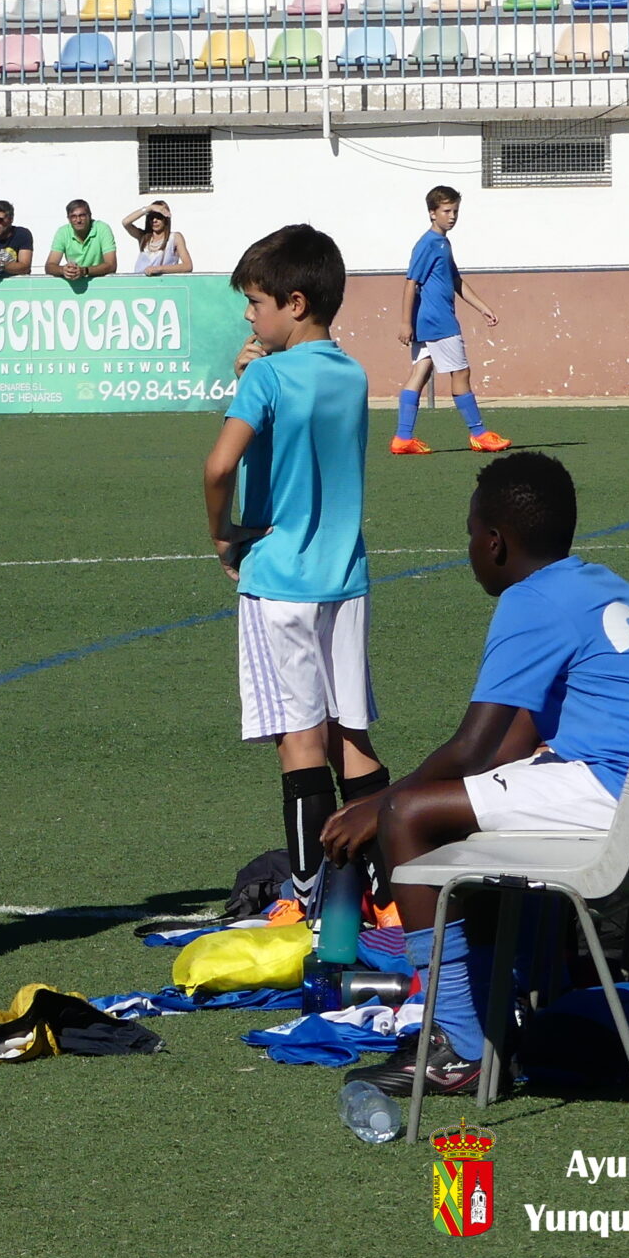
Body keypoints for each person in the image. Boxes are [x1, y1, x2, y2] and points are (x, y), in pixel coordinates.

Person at [325, 453, 629, 1102]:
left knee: (409, 818)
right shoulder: (594, 581)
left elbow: (472, 748)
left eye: (471, 533)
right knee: (457, 809)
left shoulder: (532, 599)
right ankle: (502, 1007)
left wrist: (380, 804)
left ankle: (460, 1046)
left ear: (494, 541)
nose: (470, 546)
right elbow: (510, 746)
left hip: (625, 798)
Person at [201, 225, 391, 914]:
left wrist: (222, 534)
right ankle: (387, 888)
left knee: (299, 740)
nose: (248, 315)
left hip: (279, 578)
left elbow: (219, 465)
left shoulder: (268, 377)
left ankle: (311, 901)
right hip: (345, 578)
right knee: (351, 736)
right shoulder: (353, 373)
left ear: (296, 303)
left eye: (256, 302)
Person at [390, 186, 511, 457]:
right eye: (447, 211)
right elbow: (411, 282)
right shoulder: (427, 243)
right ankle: (479, 434)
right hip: (438, 321)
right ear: (432, 213)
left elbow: (455, 280)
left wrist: (483, 308)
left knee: (420, 372)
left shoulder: (443, 243)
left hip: (428, 321)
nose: (452, 216)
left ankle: (402, 438)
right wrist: (405, 322)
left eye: (455, 211)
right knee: (461, 373)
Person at [46, 198, 117, 281]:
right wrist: (63, 270)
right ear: (68, 219)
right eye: (73, 216)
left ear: (90, 216)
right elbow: (49, 266)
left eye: (82, 216)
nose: (78, 220)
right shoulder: (63, 232)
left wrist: (84, 271)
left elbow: (111, 265)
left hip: (100, 282)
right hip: (74, 283)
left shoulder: (102, 229)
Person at [124, 200, 191, 276]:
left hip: (163, 282)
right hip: (141, 282)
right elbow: (125, 222)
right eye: (151, 217)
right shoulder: (144, 237)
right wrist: (149, 208)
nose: (154, 220)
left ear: (166, 218)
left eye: (159, 217)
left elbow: (188, 266)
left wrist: (159, 269)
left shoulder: (175, 237)